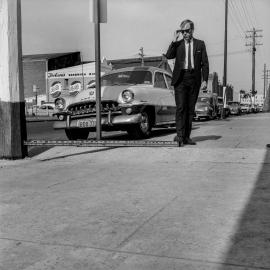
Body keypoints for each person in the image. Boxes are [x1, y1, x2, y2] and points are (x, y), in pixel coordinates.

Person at [165, 19, 209, 147]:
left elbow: (204, 64)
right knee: (181, 108)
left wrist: (205, 80)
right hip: (180, 79)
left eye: (187, 31)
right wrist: (173, 41)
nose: (185, 34)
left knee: (190, 109)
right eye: (182, 31)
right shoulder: (177, 45)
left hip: (194, 79)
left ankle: (187, 137)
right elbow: (168, 56)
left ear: (192, 30)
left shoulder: (200, 44)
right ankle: (179, 136)